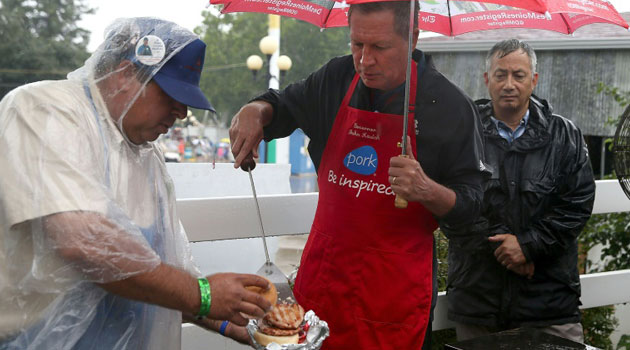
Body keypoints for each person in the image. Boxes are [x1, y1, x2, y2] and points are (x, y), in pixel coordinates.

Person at [0, 17, 272, 350]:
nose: (182, 111)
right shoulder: (46, 110)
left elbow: (168, 273)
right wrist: (202, 294)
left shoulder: (146, 156)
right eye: (170, 93)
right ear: (124, 74)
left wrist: (233, 322)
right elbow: (83, 241)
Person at [229, 2, 485, 349]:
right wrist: (255, 110)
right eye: (357, 45)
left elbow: (474, 207)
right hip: (324, 284)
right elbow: (284, 106)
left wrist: (427, 190)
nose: (365, 60)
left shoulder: (450, 107)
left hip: (392, 300)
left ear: (413, 38)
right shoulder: (337, 78)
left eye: (379, 47)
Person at [446, 39, 596, 343]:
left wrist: (529, 246)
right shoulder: (462, 133)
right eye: (500, 75)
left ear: (534, 80)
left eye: (519, 75)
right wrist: (506, 251)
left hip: (550, 302)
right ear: (487, 79)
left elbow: (577, 203)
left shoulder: (564, 135)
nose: (509, 84)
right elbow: (451, 206)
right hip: (480, 301)